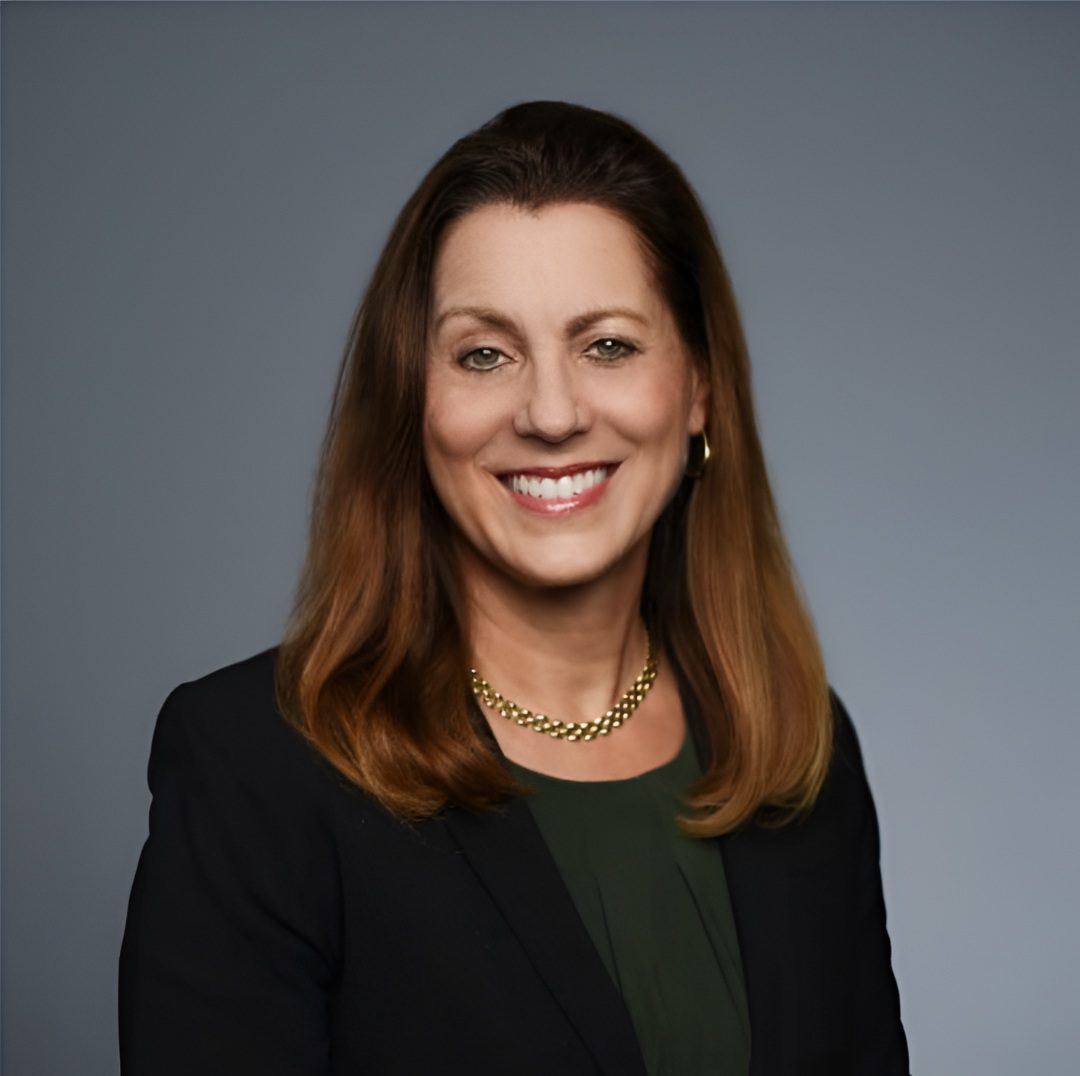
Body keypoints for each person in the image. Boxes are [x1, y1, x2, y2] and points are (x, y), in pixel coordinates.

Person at [119, 100, 910, 1075]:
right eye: (484, 352)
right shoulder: (257, 766)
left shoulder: (798, 753)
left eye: (608, 344)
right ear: (414, 399)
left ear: (699, 388)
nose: (549, 412)